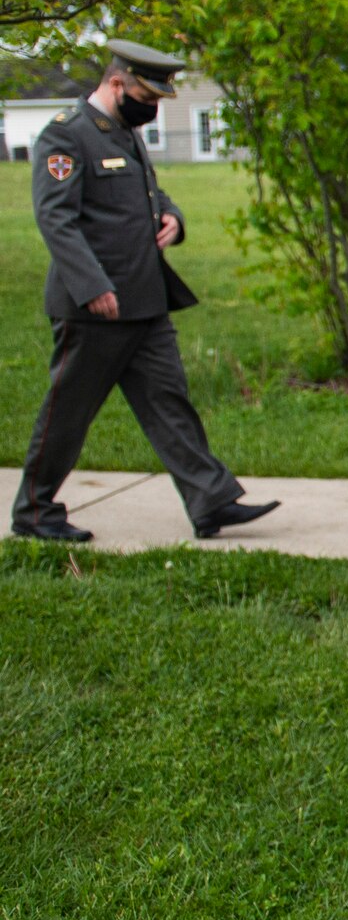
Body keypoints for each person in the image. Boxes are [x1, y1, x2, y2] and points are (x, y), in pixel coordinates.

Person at [14, 40, 279, 544]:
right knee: (68, 412)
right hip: (94, 309)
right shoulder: (66, 138)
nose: (152, 107)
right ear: (116, 84)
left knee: (169, 403)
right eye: (145, 95)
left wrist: (173, 218)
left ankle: (211, 501)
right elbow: (57, 221)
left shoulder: (124, 133)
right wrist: (91, 286)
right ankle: (33, 510)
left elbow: (149, 192)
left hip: (144, 301)